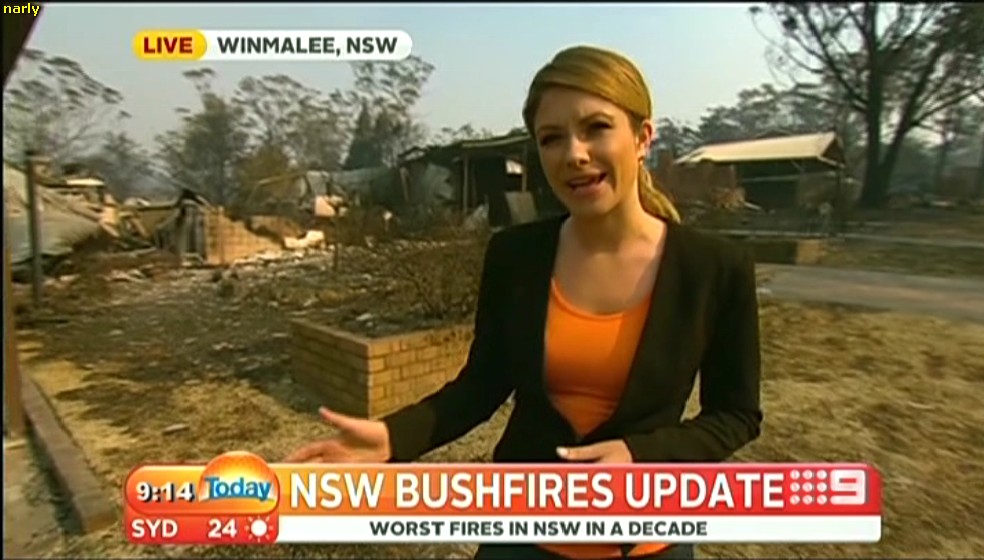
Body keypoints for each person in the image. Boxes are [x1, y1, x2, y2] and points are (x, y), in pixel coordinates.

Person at [285, 45, 763, 560]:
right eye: (552, 138)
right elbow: (481, 385)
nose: (574, 154)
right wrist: (392, 437)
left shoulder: (715, 267)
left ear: (643, 137)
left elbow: (735, 414)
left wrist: (641, 455)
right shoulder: (516, 255)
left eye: (596, 128)